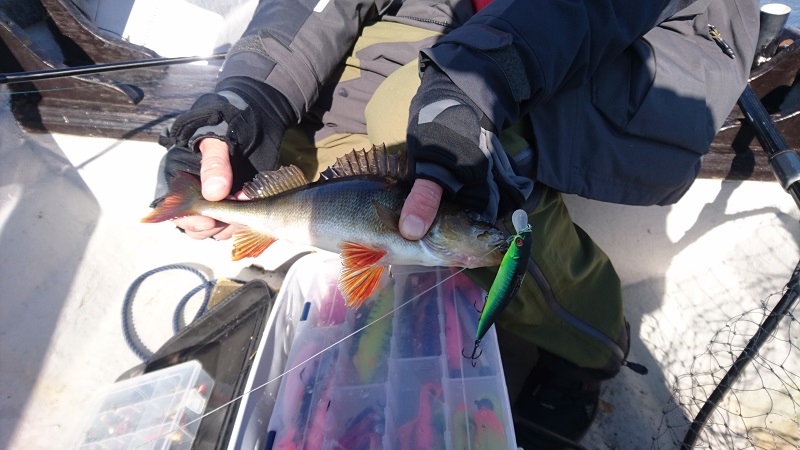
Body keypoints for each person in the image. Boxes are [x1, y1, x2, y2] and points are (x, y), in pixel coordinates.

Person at [152, 0, 759, 446]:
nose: (492, 243)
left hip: (634, 39)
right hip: (438, 20)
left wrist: (472, 86)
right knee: (289, 127)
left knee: (473, 164)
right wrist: (246, 99)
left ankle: (587, 346)